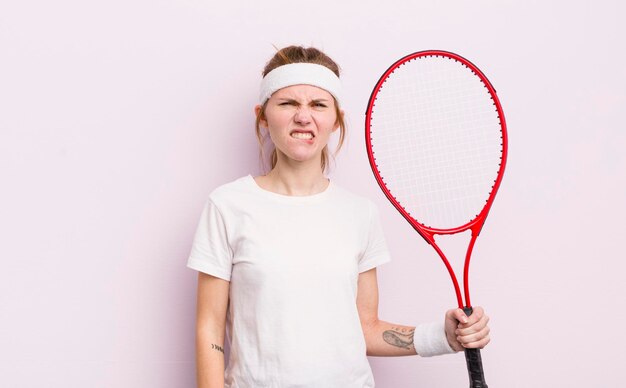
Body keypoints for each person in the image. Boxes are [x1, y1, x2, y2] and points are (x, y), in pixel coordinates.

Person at [187, 46, 490, 388]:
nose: (304, 117)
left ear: (336, 120)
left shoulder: (360, 214)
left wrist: (443, 336)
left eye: (318, 105)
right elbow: (209, 330)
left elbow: (365, 328)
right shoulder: (227, 206)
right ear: (262, 115)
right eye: (288, 103)